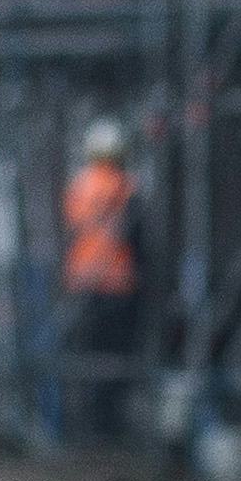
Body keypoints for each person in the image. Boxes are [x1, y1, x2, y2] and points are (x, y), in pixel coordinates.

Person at [60, 117, 144, 446]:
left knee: (88, 354)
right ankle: (108, 426)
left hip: (82, 282)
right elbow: (138, 239)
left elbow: (73, 230)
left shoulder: (79, 184)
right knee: (115, 358)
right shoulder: (126, 187)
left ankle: (88, 424)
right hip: (117, 285)